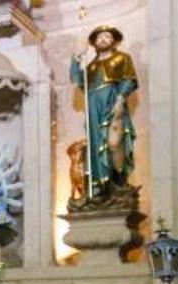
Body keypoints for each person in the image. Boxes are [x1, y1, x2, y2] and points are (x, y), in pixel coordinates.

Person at [70, 25, 138, 196]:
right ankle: (101, 185)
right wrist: (76, 58)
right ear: (94, 42)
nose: (103, 39)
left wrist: (120, 99)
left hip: (112, 101)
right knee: (96, 144)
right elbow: (79, 81)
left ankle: (119, 180)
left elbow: (129, 80)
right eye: (100, 37)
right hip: (94, 107)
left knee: (115, 142)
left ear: (113, 40)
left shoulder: (122, 58)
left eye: (107, 36)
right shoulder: (91, 66)